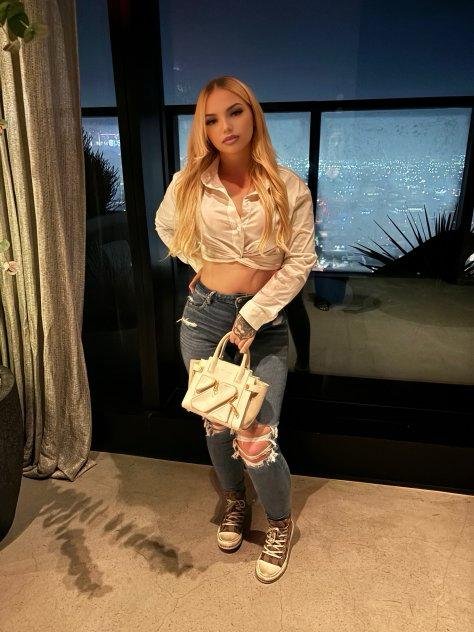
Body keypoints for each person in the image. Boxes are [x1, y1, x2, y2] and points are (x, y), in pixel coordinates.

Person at [155, 75, 317, 584]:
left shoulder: (288, 186)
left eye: (235, 112)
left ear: (252, 115)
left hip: (263, 324)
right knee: (217, 422)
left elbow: (300, 261)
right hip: (204, 317)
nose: (225, 126)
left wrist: (251, 315)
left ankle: (280, 521)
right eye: (211, 119)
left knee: (256, 435)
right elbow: (165, 226)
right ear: (202, 129)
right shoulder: (189, 183)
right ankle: (234, 501)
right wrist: (202, 264)